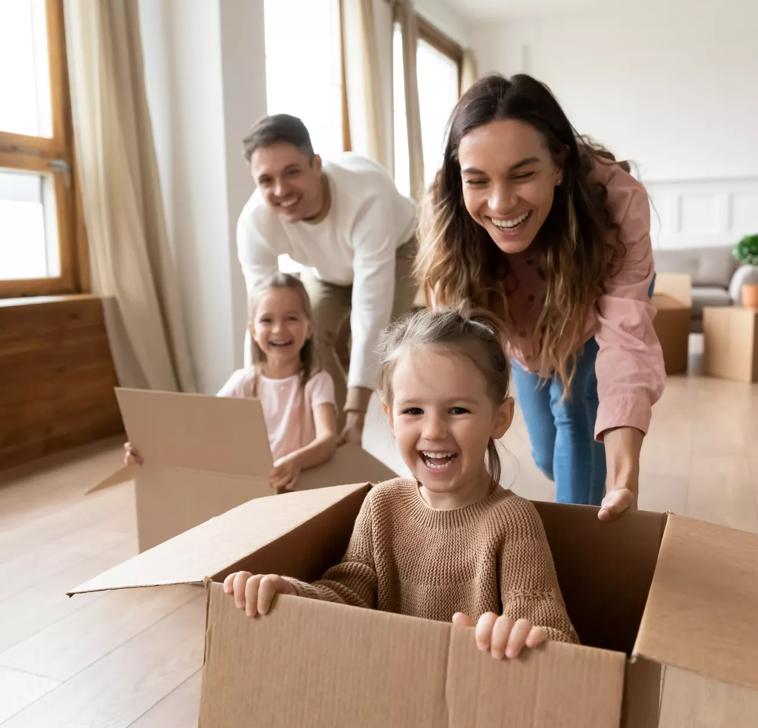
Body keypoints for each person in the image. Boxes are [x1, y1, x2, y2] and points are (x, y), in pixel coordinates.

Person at [223, 308, 579, 659]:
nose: (434, 431)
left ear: (499, 419)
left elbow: (556, 636)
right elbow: (349, 595)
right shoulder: (381, 505)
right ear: (390, 417)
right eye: (413, 411)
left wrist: (519, 638)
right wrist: (293, 594)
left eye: (458, 410)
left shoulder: (513, 522)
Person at [415, 74, 665, 520]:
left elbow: (626, 344)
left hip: (592, 312)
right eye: (478, 181)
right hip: (522, 331)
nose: (500, 203)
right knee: (548, 456)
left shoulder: (618, 202)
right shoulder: (447, 207)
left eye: (523, 175)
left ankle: (578, 548)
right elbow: (448, 345)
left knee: (574, 414)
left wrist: (624, 477)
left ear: (560, 166)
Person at [237, 114, 418, 446]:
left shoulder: (367, 196)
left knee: (384, 345)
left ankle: (373, 427)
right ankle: (329, 434)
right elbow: (260, 317)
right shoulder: (254, 223)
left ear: (316, 164)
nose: (280, 190)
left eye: (292, 172)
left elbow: (370, 309)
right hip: (326, 268)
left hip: (397, 248)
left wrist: (357, 413)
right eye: (266, 180)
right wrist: (254, 402)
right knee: (306, 330)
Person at [125, 273, 337, 492]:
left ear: (309, 328)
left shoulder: (317, 381)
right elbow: (200, 424)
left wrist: (296, 462)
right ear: (253, 331)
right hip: (250, 489)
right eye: (267, 320)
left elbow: (328, 439)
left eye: (291, 318)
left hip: (299, 491)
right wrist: (148, 449)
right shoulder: (242, 382)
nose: (278, 329)